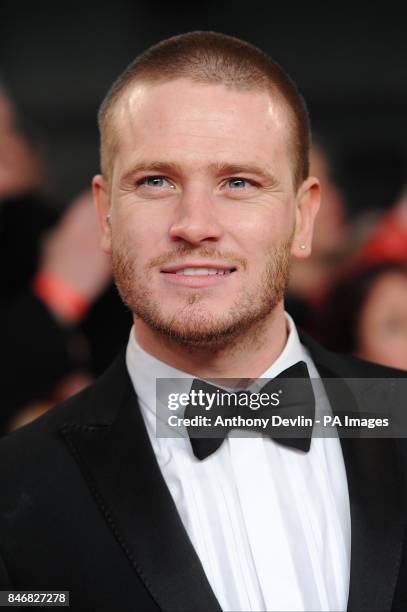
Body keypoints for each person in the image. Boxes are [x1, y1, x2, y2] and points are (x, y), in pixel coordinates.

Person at [0, 32, 406, 612]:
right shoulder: (17, 488)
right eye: (155, 182)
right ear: (105, 215)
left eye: (238, 183)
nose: (194, 224)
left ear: (303, 217)